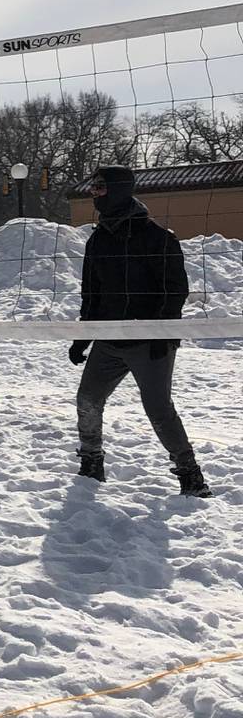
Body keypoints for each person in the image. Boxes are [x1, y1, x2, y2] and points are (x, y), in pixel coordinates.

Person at [70, 165, 211, 497]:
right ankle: (92, 460)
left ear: (119, 190)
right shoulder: (98, 239)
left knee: (158, 407)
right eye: (93, 189)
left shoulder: (157, 237)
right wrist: (82, 336)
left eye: (100, 188)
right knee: (88, 399)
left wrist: (162, 334)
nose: (94, 194)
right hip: (109, 340)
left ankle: (189, 472)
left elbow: (174, 291)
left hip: (149, 341)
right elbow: (91, 295)